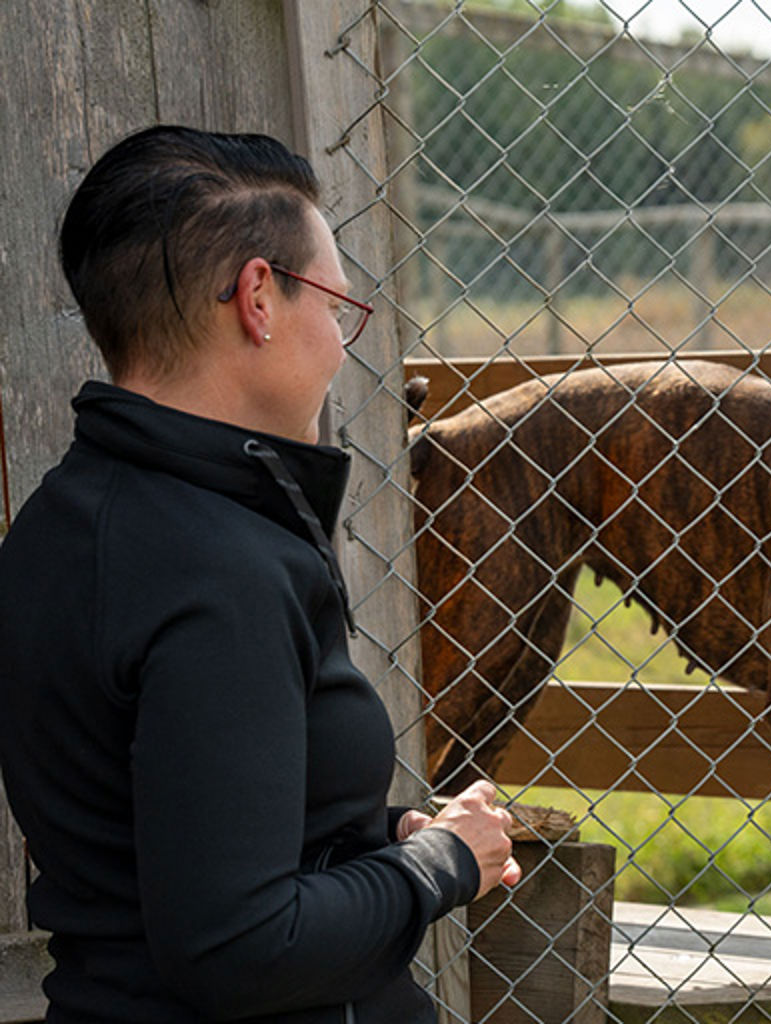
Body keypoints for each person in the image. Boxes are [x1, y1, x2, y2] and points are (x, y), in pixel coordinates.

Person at [0, 125, 521, 1023]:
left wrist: (374, 839)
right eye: (336, 306)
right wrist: (445, 865)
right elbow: (237, 947)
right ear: (258, 299)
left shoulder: (59, 524)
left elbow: (170, 831)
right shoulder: (219, 569)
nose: (340, 343)